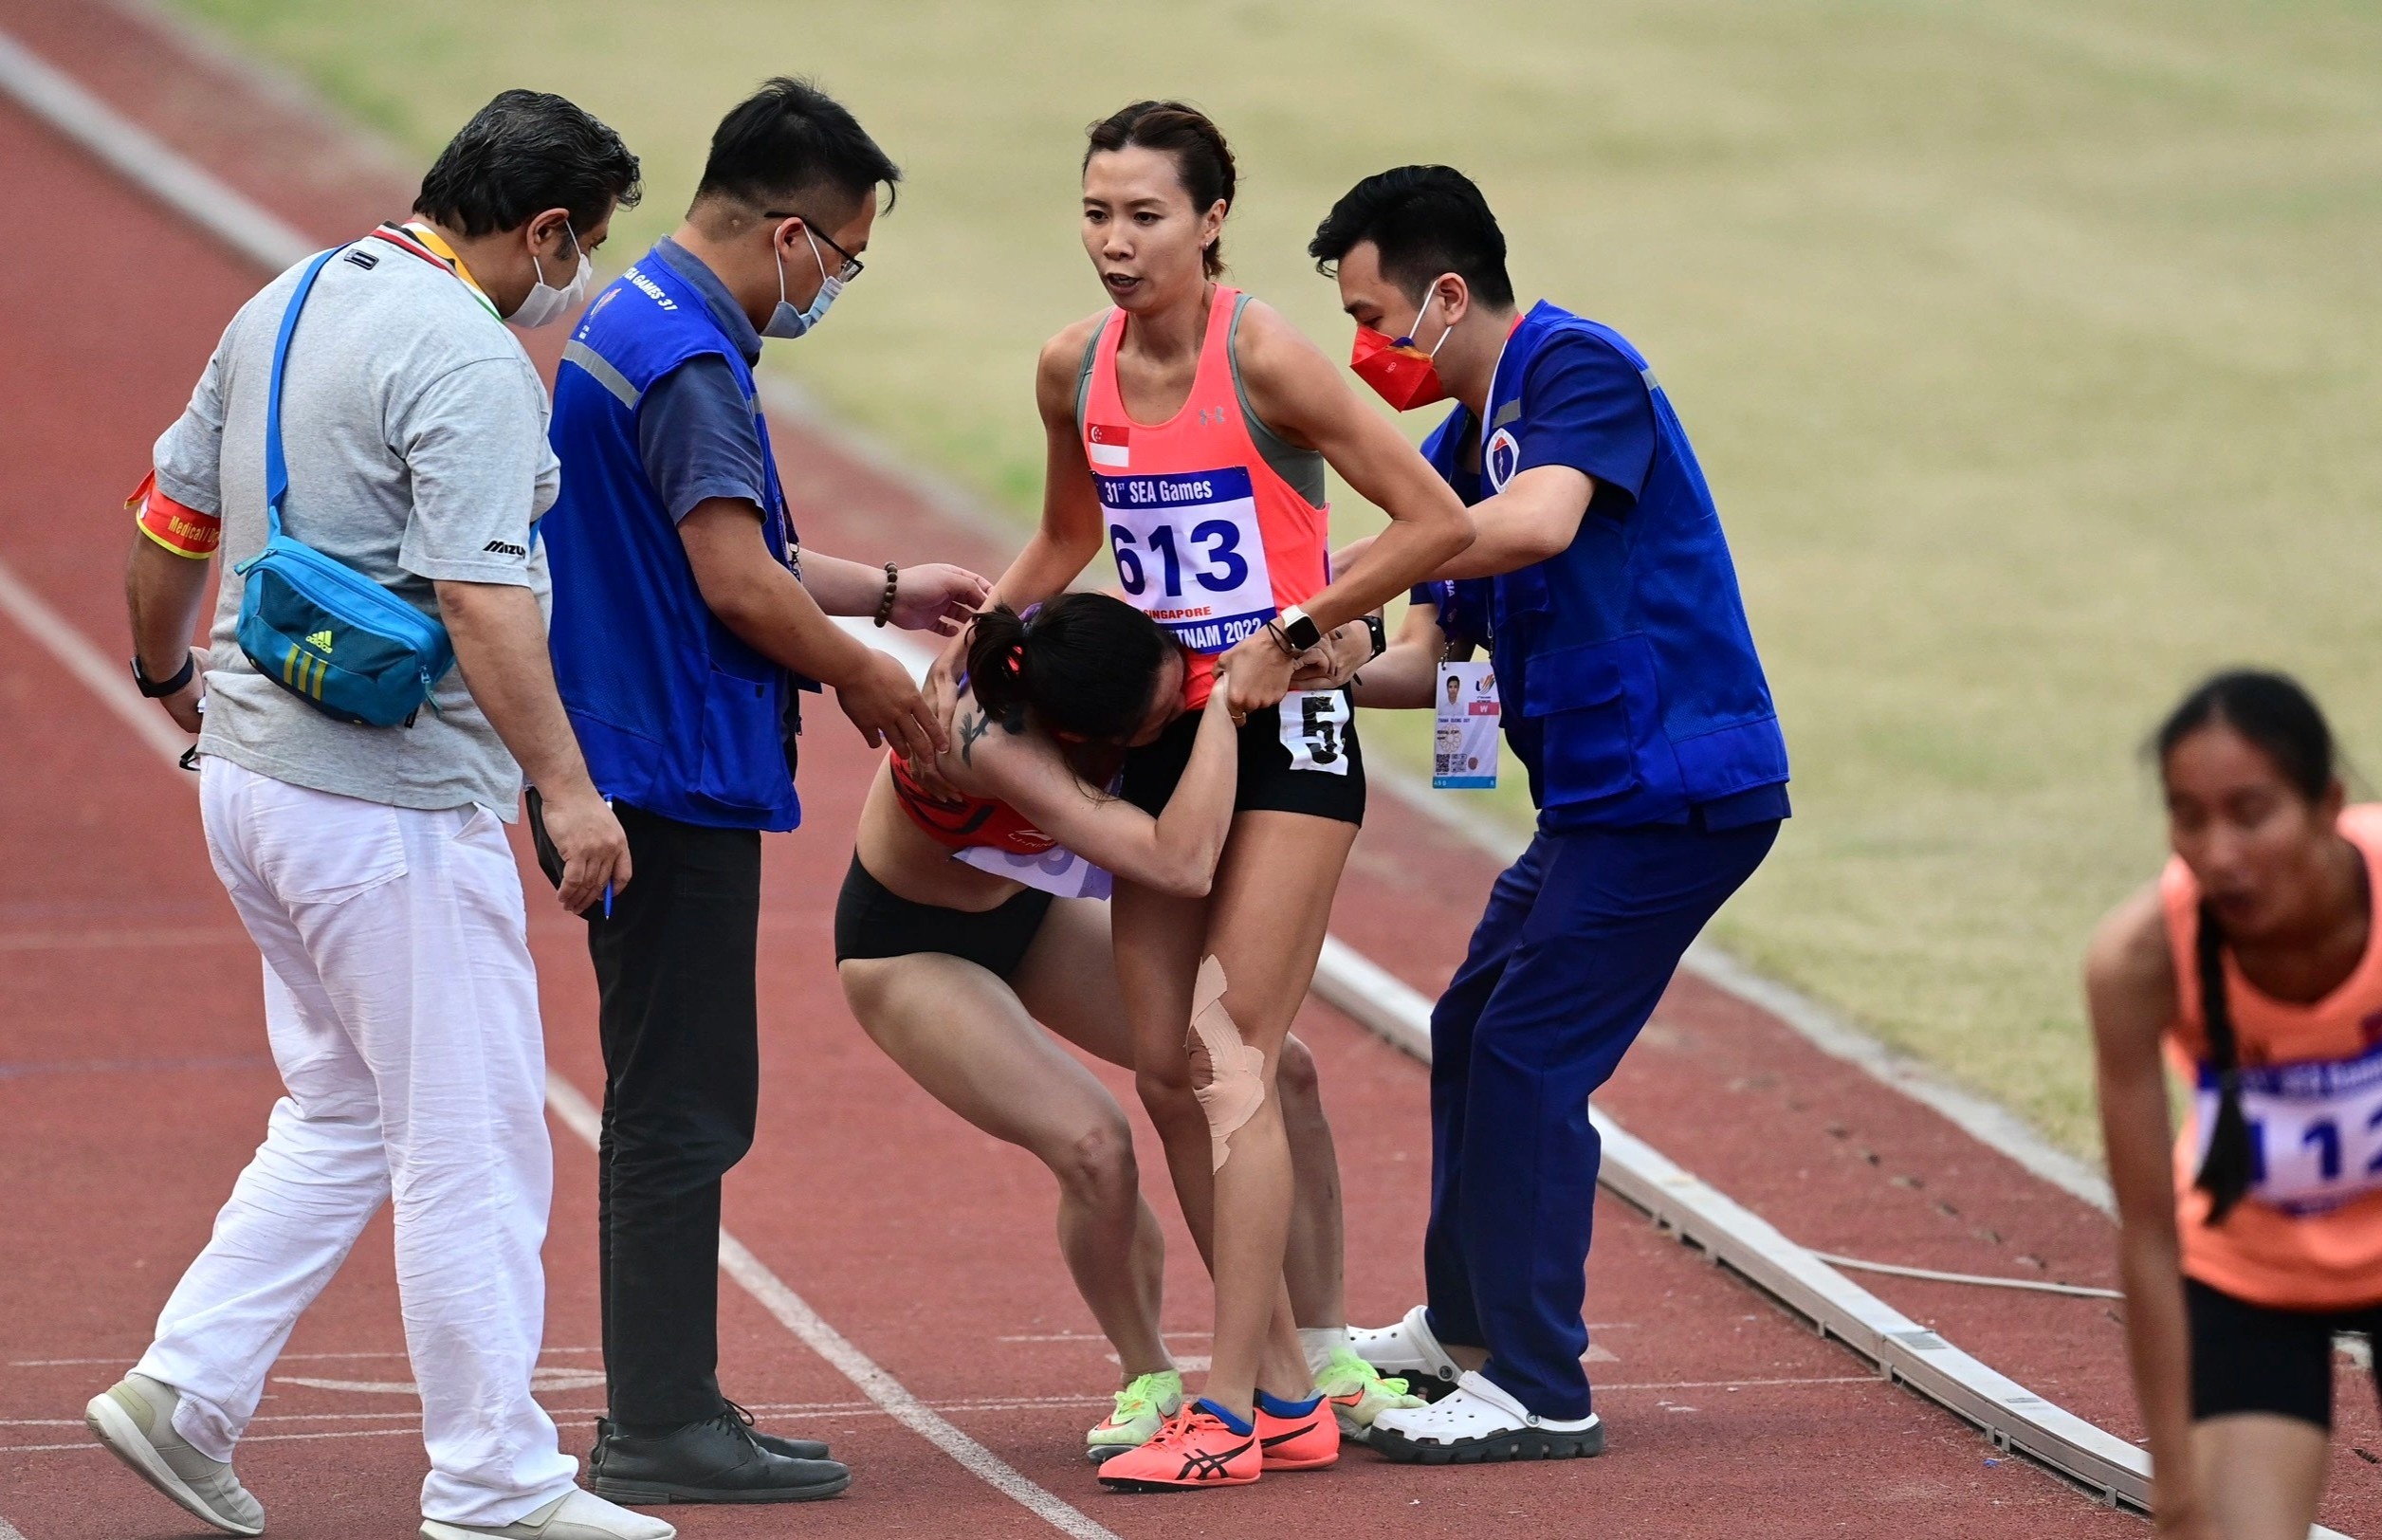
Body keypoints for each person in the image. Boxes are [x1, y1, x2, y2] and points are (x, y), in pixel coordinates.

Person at [96, 93, 669, 1540]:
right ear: (543, 228)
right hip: (386, 807)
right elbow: (481, 600)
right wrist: (568, 791)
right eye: (584, 247)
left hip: (249, 778)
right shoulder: (470, 356)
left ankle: (187, 1387)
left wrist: (168, 671)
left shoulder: (285, 296)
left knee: (347, 1106)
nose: (579, 278)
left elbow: (170, 518)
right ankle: (494, 1484)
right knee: (474, 1136)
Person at [930, 101, 1472, 1492]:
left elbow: (1433, 521)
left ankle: (1232, 1409)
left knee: (1236, 1061)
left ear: (1212, 218)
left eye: (1146, 216)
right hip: (1155, 739)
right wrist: (980, 646)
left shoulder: (1266, 355)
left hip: (1284, 739)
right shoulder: (1075, 370)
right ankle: (1284, 1386)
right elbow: (1065, 536)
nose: (1116, 244)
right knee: (1168, 1065)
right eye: (1098, 214)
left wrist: (1287, 642)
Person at [540, 78, 988, 1505]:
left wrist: (894, 590)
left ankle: (669, 1409)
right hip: (672, 771)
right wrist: (871, 681)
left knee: (676, 1092)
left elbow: (731, 546)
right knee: (683, 1104)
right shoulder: (690, 361)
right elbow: (733, 582)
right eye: (844, 261)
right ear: (791, 234)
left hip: (646, 753)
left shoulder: (631, 323)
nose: (836, 286)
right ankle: (662, 1422)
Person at [1313, 166, 1789, 1462]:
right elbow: (1435, 664)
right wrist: (1320, 660)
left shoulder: (1578, 369)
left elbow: (1535, 525)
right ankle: (1462, 1334)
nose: (1363, 353)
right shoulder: (1455, 451)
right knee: (1472, 1027)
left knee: (1529, 1053)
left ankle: (1538, 1383)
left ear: (1445, 294)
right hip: (1590, 803)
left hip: (1676, 791)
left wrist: (1342, 579)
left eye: (1372, 317)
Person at [841, 594, 1419, 1465]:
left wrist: (1348, 637)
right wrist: (1223, 711)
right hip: (906, 944)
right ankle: (1149, 1372)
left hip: (1026, 916)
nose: (1170, 715)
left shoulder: (1088, 653)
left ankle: (1324, 1353)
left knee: (1276, 1072)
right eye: (1154, 725)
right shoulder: (995, 742)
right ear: (1083, 740)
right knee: (1096, 1145)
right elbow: (1177, 863)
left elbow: (1070, 534)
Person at [2088, 670, 2382, 1540]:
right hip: (2251, 1280)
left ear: (2327, 803)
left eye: (2250, 813)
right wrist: (2177, 1490)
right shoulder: (2139, 962)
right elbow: (2147, 1234)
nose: (2218, 854)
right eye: (2189, 816)